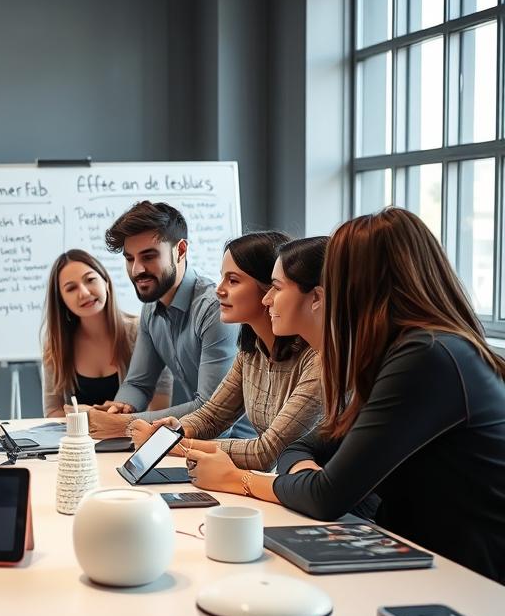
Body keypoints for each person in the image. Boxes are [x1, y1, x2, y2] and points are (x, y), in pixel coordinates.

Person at [187, 207, 505, 584]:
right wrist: (305, 474)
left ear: (358, 283)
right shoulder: (396, 352)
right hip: (415, 555)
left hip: (468, 578)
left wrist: (237, 480)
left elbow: (325, 496)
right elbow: (302, 449)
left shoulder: (426, 356)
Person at [129, 232, 323, 471]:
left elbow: (266, 453)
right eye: (222, 279)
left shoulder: (316, 359)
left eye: (233, 281)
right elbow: (212, 415)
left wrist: (176, 446)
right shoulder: (250, 352)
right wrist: (178, 429)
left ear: (267, 287)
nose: (218, 290)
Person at [86, 201, 244, 438]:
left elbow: (211, 410)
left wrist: (125, 424)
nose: (137, 269)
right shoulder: (151, 309)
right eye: (129, 259)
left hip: (242, 448)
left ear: (180, 251)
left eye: (148, 256)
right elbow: (138, 384)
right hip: (199, 443)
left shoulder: (215, 310)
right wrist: (119, 409)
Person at [40, 249, 172, 416]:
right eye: (71, 288)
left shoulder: (144, 331)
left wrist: (91, 414)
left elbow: (160, 409)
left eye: (90, 280)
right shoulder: (55, 345)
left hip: (137, 438)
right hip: (78, 441)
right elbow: (53, 411)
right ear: (61, 300)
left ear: (106, 283)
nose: (84, 293)